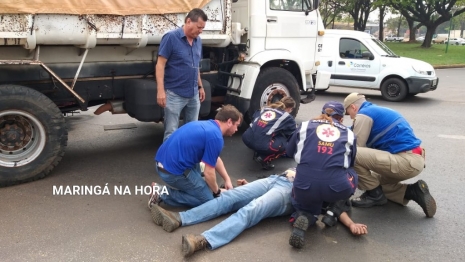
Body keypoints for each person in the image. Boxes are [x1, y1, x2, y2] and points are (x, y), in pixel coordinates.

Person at [150, 168, 367, 257]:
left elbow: (339, 206)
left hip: (290, 194)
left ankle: (203, 239)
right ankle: (179, 218)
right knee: (228, 197)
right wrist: (250, 184)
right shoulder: (321, 154)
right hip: (276, 178)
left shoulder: (347, 177)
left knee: (250, 210)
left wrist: (351, 225)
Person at [343, 93, 436, 217]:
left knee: (352, 154)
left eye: (349, 113)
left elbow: (357, 145)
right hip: (414, 160)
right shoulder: (377, 111)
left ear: (353, 107)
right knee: (373, 181)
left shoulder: (363, 115)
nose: (351, 117)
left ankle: (374, 196)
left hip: (404, 161)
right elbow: (352, 129)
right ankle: (412, 192)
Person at [285, 101, 358, 248]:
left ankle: (304, 215)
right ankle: (335, 207)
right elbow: (349, 163)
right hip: (334, 187)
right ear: (341, 119)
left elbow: (288, 151)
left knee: (305, 201)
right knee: (353, 174)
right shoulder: (349, 133)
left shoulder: (305, 126)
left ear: (322, 112)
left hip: (304, 185)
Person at [148, 105, 242, 209]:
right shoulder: (216, 137)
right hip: (172, 171)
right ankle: (161, 193)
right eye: (236, 125)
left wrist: (227, 179)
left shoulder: (209, 126)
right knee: (208, 200)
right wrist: (217, 192)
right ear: (229, 122)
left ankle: (197, 188)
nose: (237, 129)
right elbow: (208, 173)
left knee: (205, 187)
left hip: (165, 163)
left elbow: (215, 159)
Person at [156, 8, 208, 141]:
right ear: (189, 21)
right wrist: (161, 91)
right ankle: (167, 161)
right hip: (174, 94)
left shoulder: (198, 41)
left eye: (202, 28)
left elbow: (195, 66)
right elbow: (160, 65)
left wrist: (200, 87)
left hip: (193, 94)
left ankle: (188, 161)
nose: (200, 31)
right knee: (171, 133)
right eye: (199, 27)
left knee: (192, 132)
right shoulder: (171, 38)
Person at [242, 97, 297, 170]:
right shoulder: (286, 117)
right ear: (289, 108)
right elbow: (292, 134)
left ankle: (258, 150)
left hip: (246, 138)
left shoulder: (264, 109)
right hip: (260, 144)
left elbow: (254, 120)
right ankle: (264, 158)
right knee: (286, 144)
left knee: (263, 132)